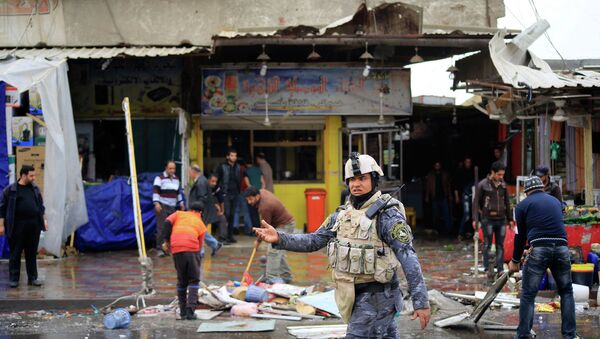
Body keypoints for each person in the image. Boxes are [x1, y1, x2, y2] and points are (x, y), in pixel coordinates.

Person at [254, 152, 430, 338]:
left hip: (379, 298)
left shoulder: (387, 216)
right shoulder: (342, 215)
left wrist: (421, 302)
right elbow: (314, 240)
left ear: (374, 179)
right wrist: (280, 238)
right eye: (352, 179)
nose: (356, 184)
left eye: (362, 178)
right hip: (354, 296)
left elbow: (408, 257)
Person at [509, 177, 578, 339]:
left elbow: (520, 237)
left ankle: (523, 335)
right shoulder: (555, 201)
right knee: (567, 291)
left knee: (528, 293)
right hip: (562, 248)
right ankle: (570, 335)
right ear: (542, 188)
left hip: (539, 249)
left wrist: (515, 260)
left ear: (526, 192)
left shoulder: (522, 206)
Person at [0, 165, 48, 288]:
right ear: (23, 175)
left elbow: (41, 207)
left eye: (34, 175)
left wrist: (44, 220)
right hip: (17, 226)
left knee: (31, 253)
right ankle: (14, 279)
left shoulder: (35, 189)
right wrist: (1, 225)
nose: (34, 178)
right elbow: (2, 209)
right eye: (31, 175)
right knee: (15, 253)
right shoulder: (10, 190)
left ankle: (33, 278)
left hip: (33, 226)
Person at [162, 201, 206, 320]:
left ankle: (182, 312)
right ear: (200, 213)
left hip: (176, 249)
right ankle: (190, 312)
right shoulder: (201, 224)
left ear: (190, 209)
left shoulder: (178, 214)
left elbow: (166, 223)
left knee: (182, 281)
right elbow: (200, 247)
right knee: (193, 280)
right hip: (192, 249)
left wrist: (166, 241)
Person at [243, 186, 294, 283]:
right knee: (279, 251)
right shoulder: (261, 191)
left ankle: (271, 279)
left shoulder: (265, 207)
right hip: (279, 224)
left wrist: (258, 241)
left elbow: (265, 228)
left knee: (273, 251)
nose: (249, 202)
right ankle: (286, 276)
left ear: (257, 196)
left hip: (284, 225)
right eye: (247, 200)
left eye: (250, 199)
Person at [473, 161, 513, 281]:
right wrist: (475, 218)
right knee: (487, 245)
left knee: (500, 245)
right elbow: (476, 203)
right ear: (493, 173)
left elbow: (507, 202)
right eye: (499, 175)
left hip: (501, 220)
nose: (501, 177)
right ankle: (487, 269)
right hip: (488, 219)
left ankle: (500, 269)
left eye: (502, 175)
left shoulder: (503, 185)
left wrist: (510, 218)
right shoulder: (483, 185)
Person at [188, 164, 222, 256]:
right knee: (201, 230)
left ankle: (201, 251)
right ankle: (215, 244)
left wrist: (197, 211)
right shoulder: (201, 180)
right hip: (202, 211)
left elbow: (202, 198)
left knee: (199, 231)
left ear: (193, 172)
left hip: (202, 211)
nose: (188, 174)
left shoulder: (200, 182)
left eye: (189, 172)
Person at [152, 160, 185, 257]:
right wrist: (156, 203)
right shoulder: (159, 178)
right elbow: (156, 191)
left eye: (174, 168)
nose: (172, 170)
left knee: (170, 229)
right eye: (170, 168)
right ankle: (159, 249)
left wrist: (181, 203)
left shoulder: (176, 179)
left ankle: (167, 248)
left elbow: (178, 193)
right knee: (161, 228)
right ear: (166, 168)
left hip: (172, 207)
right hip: (162, 206)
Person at [216, 149, 241, 243]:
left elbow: (239, 180)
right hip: (225, 194)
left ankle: (230, 236)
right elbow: (217, 180)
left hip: (235, 194)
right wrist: (219, 192)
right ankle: (223, 236)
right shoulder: (222, 167)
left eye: (235, 156)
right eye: (232, 155)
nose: (234, 157)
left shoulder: (238, 167)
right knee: (225, 215)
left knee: (232, 215)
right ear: (227, 157)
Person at [425, 161, 452, 235]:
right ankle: (436, 229)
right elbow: (428, 186)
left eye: (438, 165)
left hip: (443, 197)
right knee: (435, 215)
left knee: (446, 214)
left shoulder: (444, 174)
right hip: (435, 197)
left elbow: (448, 186)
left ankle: (447, 230)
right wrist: (427, 196)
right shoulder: (431, 175)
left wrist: (450, 195)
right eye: (436, 165)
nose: (437, 167)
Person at [454, 157, 476, 241]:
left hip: (472, 194)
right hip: (464, 194)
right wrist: (456, 196)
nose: (468, 164)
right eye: (467, 162)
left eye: (469, 162)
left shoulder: (473, 172)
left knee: (472, 214)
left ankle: (469, 232)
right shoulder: (460, 172)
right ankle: (460, 233)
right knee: (466, 214)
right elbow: (456, 185)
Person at [243, 159, 263, 231]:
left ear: (246, 164)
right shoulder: (258, 170)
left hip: (251, 195)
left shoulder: (246, 171)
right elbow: (263, 182)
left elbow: (248, 184)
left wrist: (251, 193)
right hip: (259, 195)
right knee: (260, 214)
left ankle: (255, 230)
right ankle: (261, 229)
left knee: (252, 214)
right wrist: (261, 191)